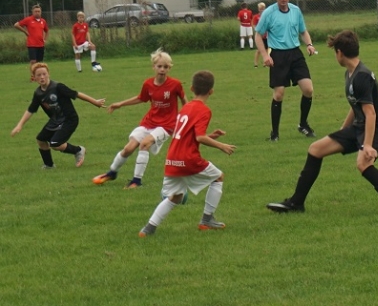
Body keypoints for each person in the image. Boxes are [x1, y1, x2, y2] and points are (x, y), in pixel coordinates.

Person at [267, 30, 378, 214]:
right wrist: (343, 130)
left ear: (340, 53)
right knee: (315, 149)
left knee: (363, 164)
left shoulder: (362, 76)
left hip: (375, 128)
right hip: (359, 125)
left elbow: (371, 113)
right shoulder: (351, 73)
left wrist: (367, 145)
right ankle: (296, 203)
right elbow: (355, 105)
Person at [138, 71, 234, 237]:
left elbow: (186, 135)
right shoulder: (204, 110)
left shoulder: (185, 108)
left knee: (175, 197)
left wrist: (210, 136)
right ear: (211, 91)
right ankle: (207, 220)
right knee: (218, 177)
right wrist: (221, 146)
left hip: (172, 158)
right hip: (188, 158)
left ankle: (148, 229)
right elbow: (199, 137)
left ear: (191, 89)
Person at [93, 49, 187, 189]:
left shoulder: (175, 84)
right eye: (159, 66)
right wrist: (120, 104)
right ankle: (112, 173)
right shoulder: (148, 84)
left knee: (145, 144)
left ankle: (136, 181)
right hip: (149, 122)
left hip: (167, 125)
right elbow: (141, 98)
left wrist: (188, 118)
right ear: (153, 67)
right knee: (128, 148)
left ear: (169, 68)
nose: (162, 69)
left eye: (166, 67)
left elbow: (184, 101)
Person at [10, 63, 105, 169]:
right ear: (34, 78)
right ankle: (49, 165)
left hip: (69, 119)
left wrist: (95, 102)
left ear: (48, 74)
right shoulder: (38, 93)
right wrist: (20, 125)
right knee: (41, 140)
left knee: (55, 144)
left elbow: (77, 94)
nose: (42, 77)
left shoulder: (58, 87)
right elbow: (31, 110)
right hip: (56, 120)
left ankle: (78, 150)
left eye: (44, 74)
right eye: (39, 75)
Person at [255, 0, 317, 141]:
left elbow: (303, 31)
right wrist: (265, 56)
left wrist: (309, 44)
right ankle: (274, 134)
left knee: (308, 89)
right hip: (278, 55)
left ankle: (303, 124)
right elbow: (258, 36)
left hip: (295, 53)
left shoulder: (295, 10)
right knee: (279, 94)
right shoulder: (269, 13)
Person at [14, 5, 48, 77]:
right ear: (32, 12)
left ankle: (38, 76)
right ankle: (33, 76)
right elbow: (16, 25)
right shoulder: (28, 20)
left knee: (39, 63)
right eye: (35, 11)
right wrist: (25, 32)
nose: (37, 13)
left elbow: (47, 31)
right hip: (32, 44)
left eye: (38, 11)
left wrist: (45, 39)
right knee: (33, 61)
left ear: (41, 12)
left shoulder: (43, 21)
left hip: (41, 44)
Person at [252, 1, 267, 68]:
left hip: (266, 35)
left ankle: (265, 62)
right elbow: (254, 25)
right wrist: (258, 32)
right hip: (260, 36)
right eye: (260, 8)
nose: (262, 10)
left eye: (263, 8)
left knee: (266, 49)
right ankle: (256, 63)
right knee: (258, 50)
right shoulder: (256, 17)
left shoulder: (266, 16)